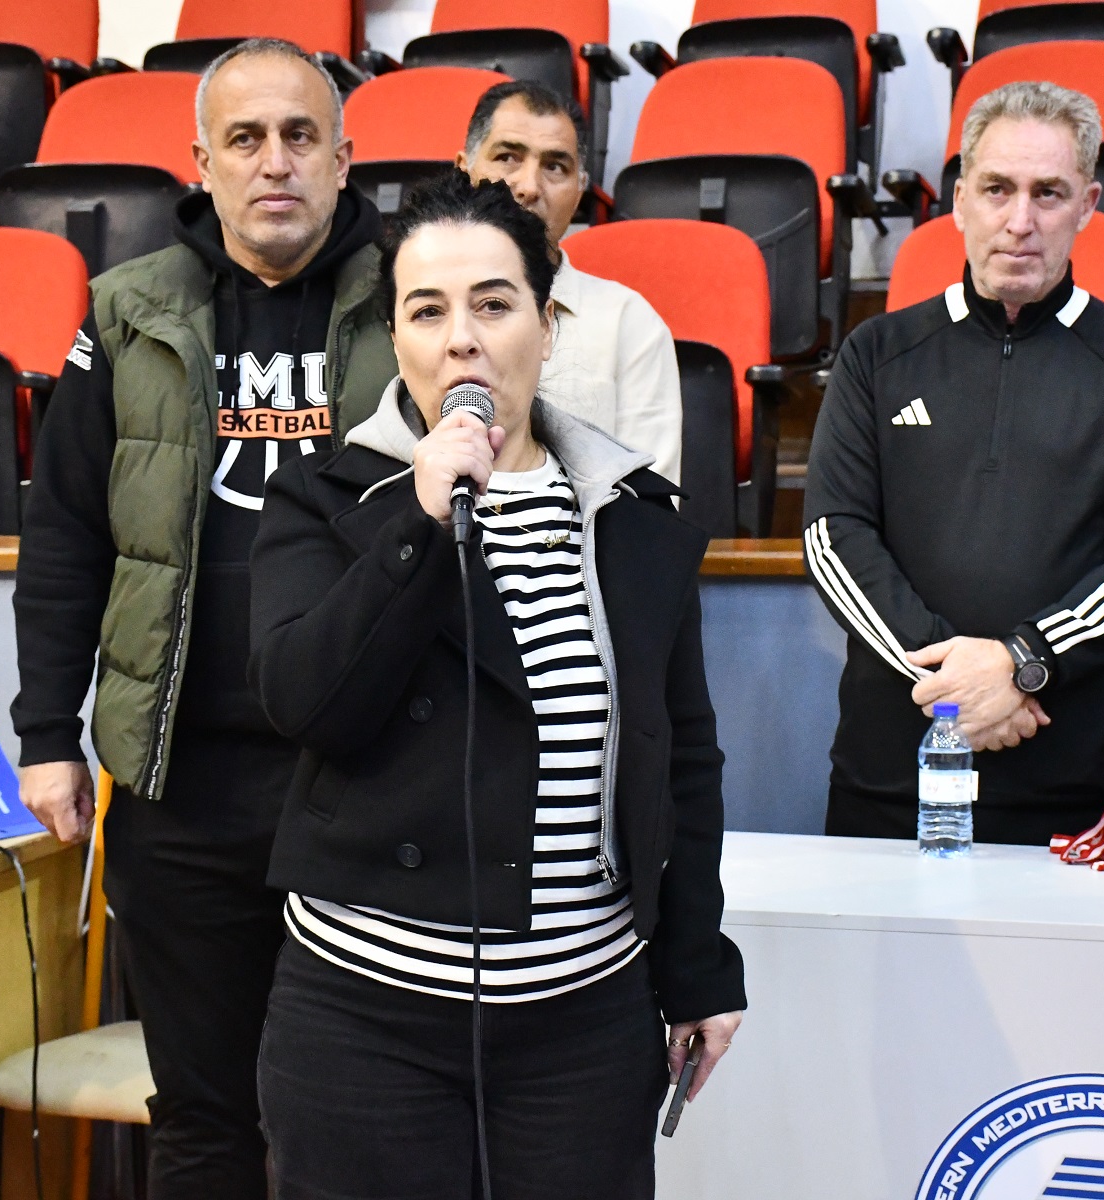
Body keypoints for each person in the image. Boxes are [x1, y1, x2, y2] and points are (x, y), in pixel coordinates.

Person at [246, 172, 744, 1198]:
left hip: (584, 1026)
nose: (463, 340)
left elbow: (682, 758)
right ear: (396, 339)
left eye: (493, 303)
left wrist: (697, 964)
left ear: (547, 325)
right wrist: (419, 525)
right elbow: (308, 704)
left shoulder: (631, 515)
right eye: (428, 311)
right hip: (366, 1026)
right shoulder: (328, 499)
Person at [10, 38, 396, 1199]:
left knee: (365, 1118)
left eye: (299, 136)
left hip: (367, 785)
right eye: (245, 139)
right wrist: (46, 733)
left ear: (342, 159)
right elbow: (65, 535)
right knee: (201, 1113)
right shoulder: (127, 312)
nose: (274, 162)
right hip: (181, 792)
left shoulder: (415, 301)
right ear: (203, 162)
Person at [801, 81, 1104, 845]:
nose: (1021, 221)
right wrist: (953, 685)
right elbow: (834, 537)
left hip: (1074, 787)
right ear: (960, 201)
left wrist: (1024, 661)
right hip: (889, 777)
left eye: (1048, 193)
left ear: (1087, 206)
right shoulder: (877, 353)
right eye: (997, 189)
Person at [457, 80, 682, 482]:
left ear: (579, 192)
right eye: (507, 157)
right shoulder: (412, 313)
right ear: (464, 171)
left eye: (555, 167)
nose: (529, 187)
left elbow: (652, 499)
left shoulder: (629, 323)